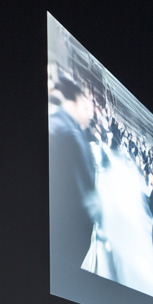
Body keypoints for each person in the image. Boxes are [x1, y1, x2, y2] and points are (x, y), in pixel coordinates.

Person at [48, 76, 99, 276]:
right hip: (66, 245)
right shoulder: (66, 131)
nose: (90, 115)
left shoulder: (65, 128)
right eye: (87, 107)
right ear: (76, 100)